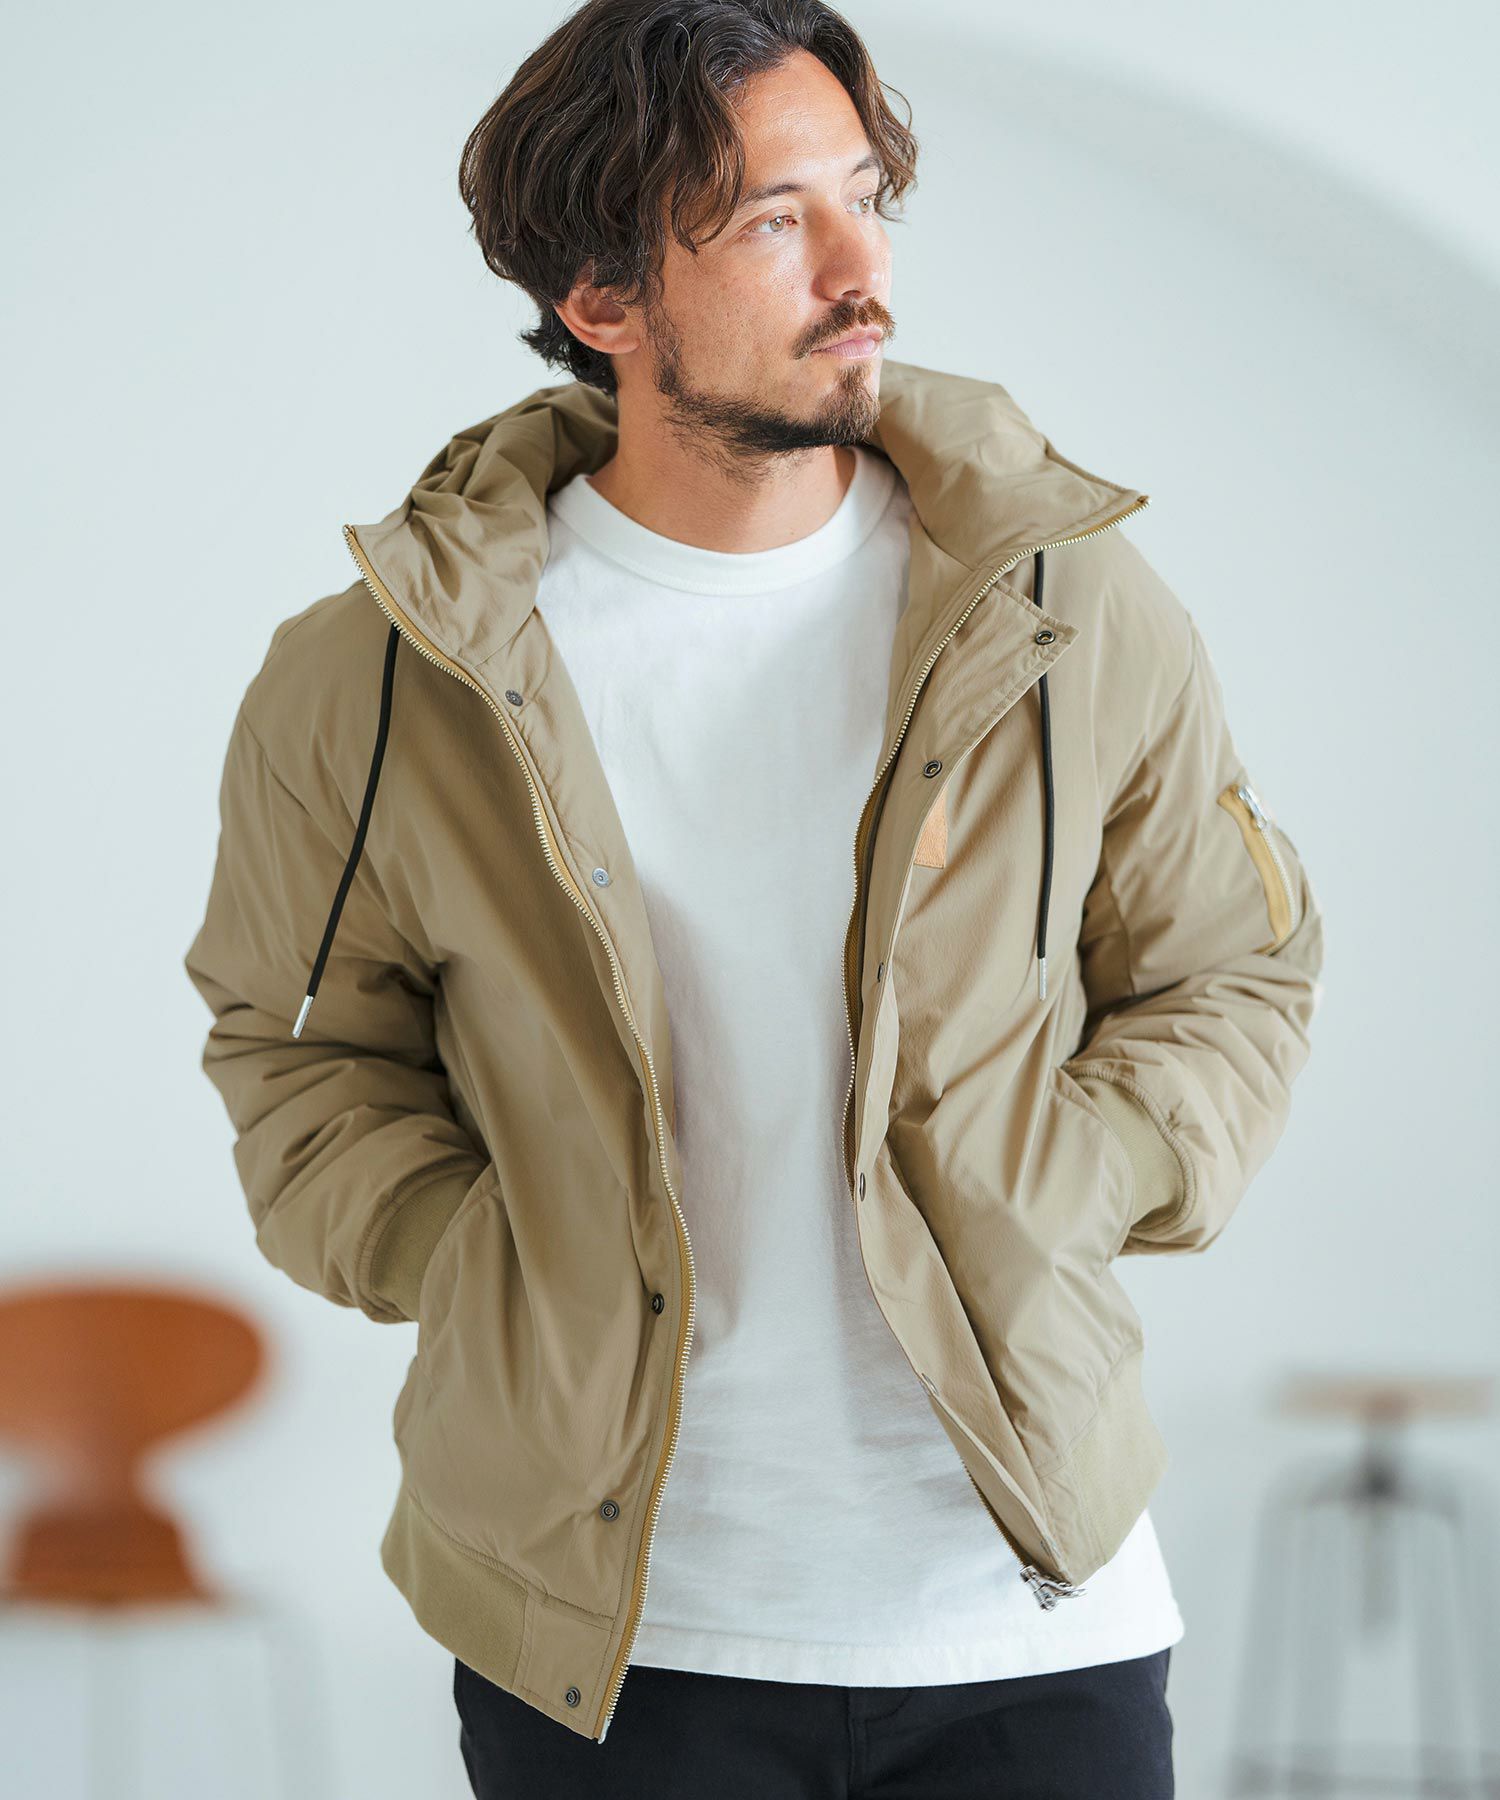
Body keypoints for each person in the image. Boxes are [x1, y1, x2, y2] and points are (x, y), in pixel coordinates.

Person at [182, 1, 1325, 1793]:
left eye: (867, 199)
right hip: (618, 1644)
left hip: (1033, 1618)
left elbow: (1233, 971)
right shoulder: (387, 674)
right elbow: (298, 1054)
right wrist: (481, 1260)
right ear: (602, 296)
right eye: (779, 220)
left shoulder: (1064, 605)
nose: (864, 273)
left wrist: (1081, 1176)